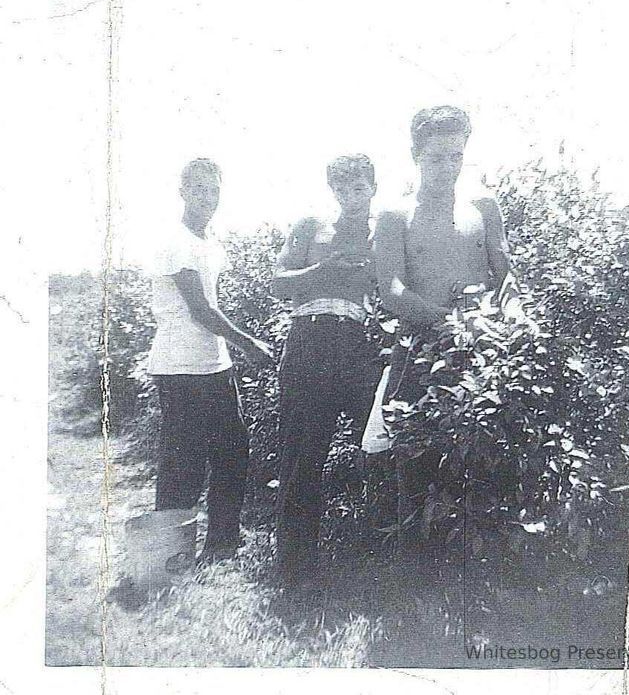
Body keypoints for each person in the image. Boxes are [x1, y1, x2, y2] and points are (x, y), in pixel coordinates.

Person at [373, 106, 512, 566]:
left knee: (481, 455)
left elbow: (506, 277)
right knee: (412, 457)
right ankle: (413, 573)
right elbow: (390, 289)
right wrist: (443, 321)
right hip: (419, 347)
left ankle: (473, 569)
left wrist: (489, 314)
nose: (447, 167)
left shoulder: (483, 208)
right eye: (436, 158)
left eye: (456, 156)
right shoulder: (395, 214)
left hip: (479, 347)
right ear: (416, 156)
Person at [147, 158, 273, 564]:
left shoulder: (209, 244)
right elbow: (199, 310)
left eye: (214, 190)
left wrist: (232, 348)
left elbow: (211, 309)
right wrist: (248, 343)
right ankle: (168, 554)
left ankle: (222, 543)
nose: (207, 198)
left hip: (214, 365)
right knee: (182, 462)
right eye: (199, 189)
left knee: (234, 450)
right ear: (182, 191)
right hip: (179, 366)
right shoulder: (174, 241)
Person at [271, 154, 382, 587]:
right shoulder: (312, 227)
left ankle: (378, 556)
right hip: (309, 340)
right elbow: (279, 282)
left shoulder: (385, 230)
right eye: (341, 189)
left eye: (358, 187)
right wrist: (323, 269)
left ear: (373, 186)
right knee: (302, 455)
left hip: (359, 343)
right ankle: (295, 569)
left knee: (378, 447)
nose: (350, 197)